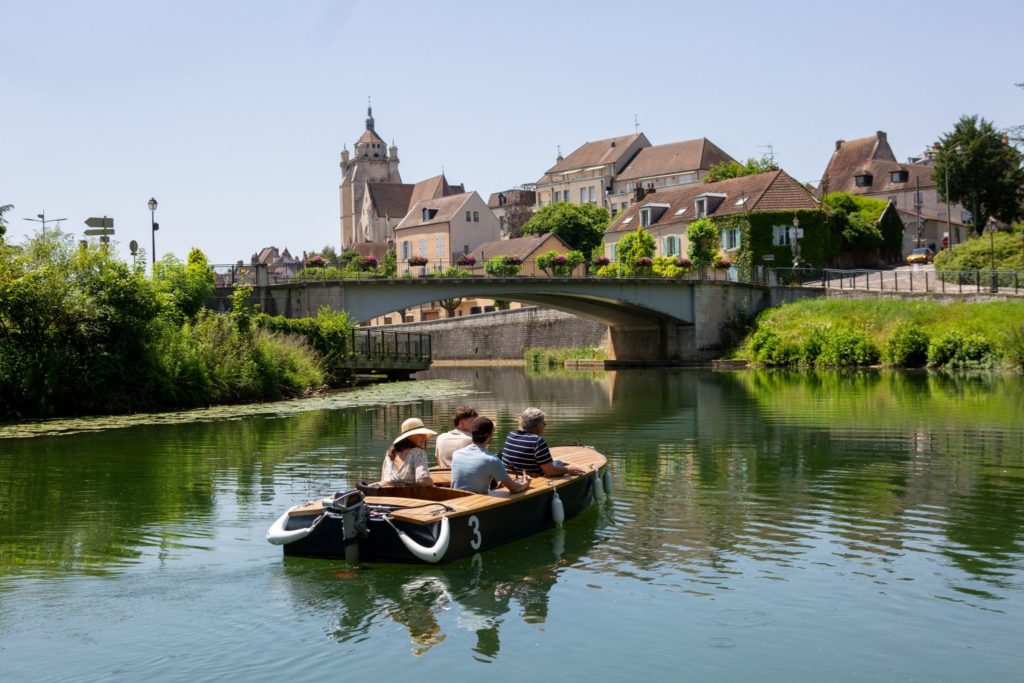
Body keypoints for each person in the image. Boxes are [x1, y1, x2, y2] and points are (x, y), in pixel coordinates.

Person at [452, 416, 530, 495]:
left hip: (456, 501)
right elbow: (515, 489)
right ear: (490, 435)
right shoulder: (492, 460)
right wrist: (526, 483)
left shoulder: (457, 454)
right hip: (478, 504)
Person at [499, 407, 585, 477]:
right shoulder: (537, 441)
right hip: (533, 477)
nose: (545, 425)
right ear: (538, 426)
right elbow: (550, 472)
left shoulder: (511, 435)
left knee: (557, 463)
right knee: (560, 463)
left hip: (513, 475)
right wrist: (569, 470)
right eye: (543, 422)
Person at [381, 417, 437, 486]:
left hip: (387, 494)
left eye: (424, 434)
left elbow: (383, 481)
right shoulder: (418, 452)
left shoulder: (390, 453)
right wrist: (430, 480)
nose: (424, 437)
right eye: (419, 434)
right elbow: (423, 481)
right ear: (408, 437)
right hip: (408, 495)